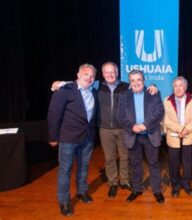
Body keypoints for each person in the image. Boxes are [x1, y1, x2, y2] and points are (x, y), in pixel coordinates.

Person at [51, 62, 157, 199]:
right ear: (102, 74)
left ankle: (124, 181)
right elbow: (79, 82)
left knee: (125, 157)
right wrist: (60, 83)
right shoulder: (96, 85)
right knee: (109, 158)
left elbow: (140, 86)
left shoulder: (126, 86)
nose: (110, 75)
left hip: (123, 128)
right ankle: (113, 182)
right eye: (107, 72)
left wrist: (153, 85)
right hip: (104, 129)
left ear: (117, 73)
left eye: (112, 72)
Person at [47, 64, 97, 216]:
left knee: (84, 167)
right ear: (78, 74)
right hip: (68, 138)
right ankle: (64, 201)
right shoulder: (64, 90)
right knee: (65, 170)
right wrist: (53, 137)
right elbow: (53, 114)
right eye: (86, 74)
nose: (89, 77)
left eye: (92, 76)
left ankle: (82, 192)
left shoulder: (93, 90)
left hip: (87, 138)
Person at [116, 69, 165, 204]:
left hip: (150, 134)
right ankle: (137, 189)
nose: (136, 83)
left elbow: (160, 112)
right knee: (135, 164)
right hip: (133, 135)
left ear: (143, 80)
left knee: (154, 164)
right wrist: (132, 126)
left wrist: (145, 125)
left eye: (139, 79)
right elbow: (120, 116)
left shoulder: (153, 93)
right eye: (133, 80)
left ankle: (156, 190)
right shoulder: (123, 96)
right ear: (130, 82)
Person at [163, 76, 192, 197]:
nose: (178, 88)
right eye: (176, 86)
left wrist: (186, 129)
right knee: (174, 162)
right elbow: (165, 119)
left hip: (189, 136)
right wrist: (180, 129)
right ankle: (175, 185)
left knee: (188, 161)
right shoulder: (167, 100)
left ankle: (186, 183)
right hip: (173, 136)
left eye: (181, 85)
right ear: (173, 87)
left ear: (185, 87)